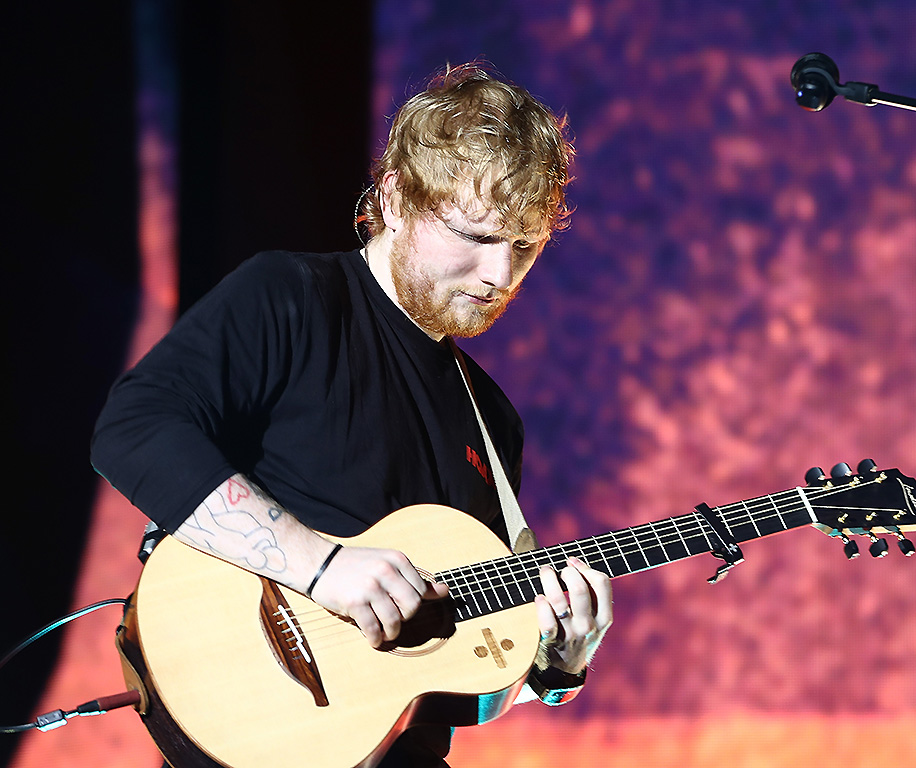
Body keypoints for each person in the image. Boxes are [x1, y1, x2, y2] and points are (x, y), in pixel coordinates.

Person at [91, 63, 613, 767]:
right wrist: (320, 566)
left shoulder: (491, 420)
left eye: (524, 246)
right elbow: (133, 429)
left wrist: (557, 668)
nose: (500, 275)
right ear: (397, 199)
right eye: (475, 236)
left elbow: (452, 669)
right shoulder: (293, 297)